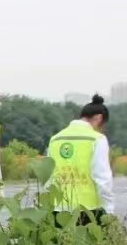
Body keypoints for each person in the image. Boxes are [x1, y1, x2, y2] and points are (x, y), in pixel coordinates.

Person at [45, 94, 114, 228]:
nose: (102, 129)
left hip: (58, 211)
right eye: (103, 125)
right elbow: (102, 178)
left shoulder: (55, 139)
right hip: (88, 212)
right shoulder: (97, 139)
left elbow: (48, 177)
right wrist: (109, 209)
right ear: (99, 118)